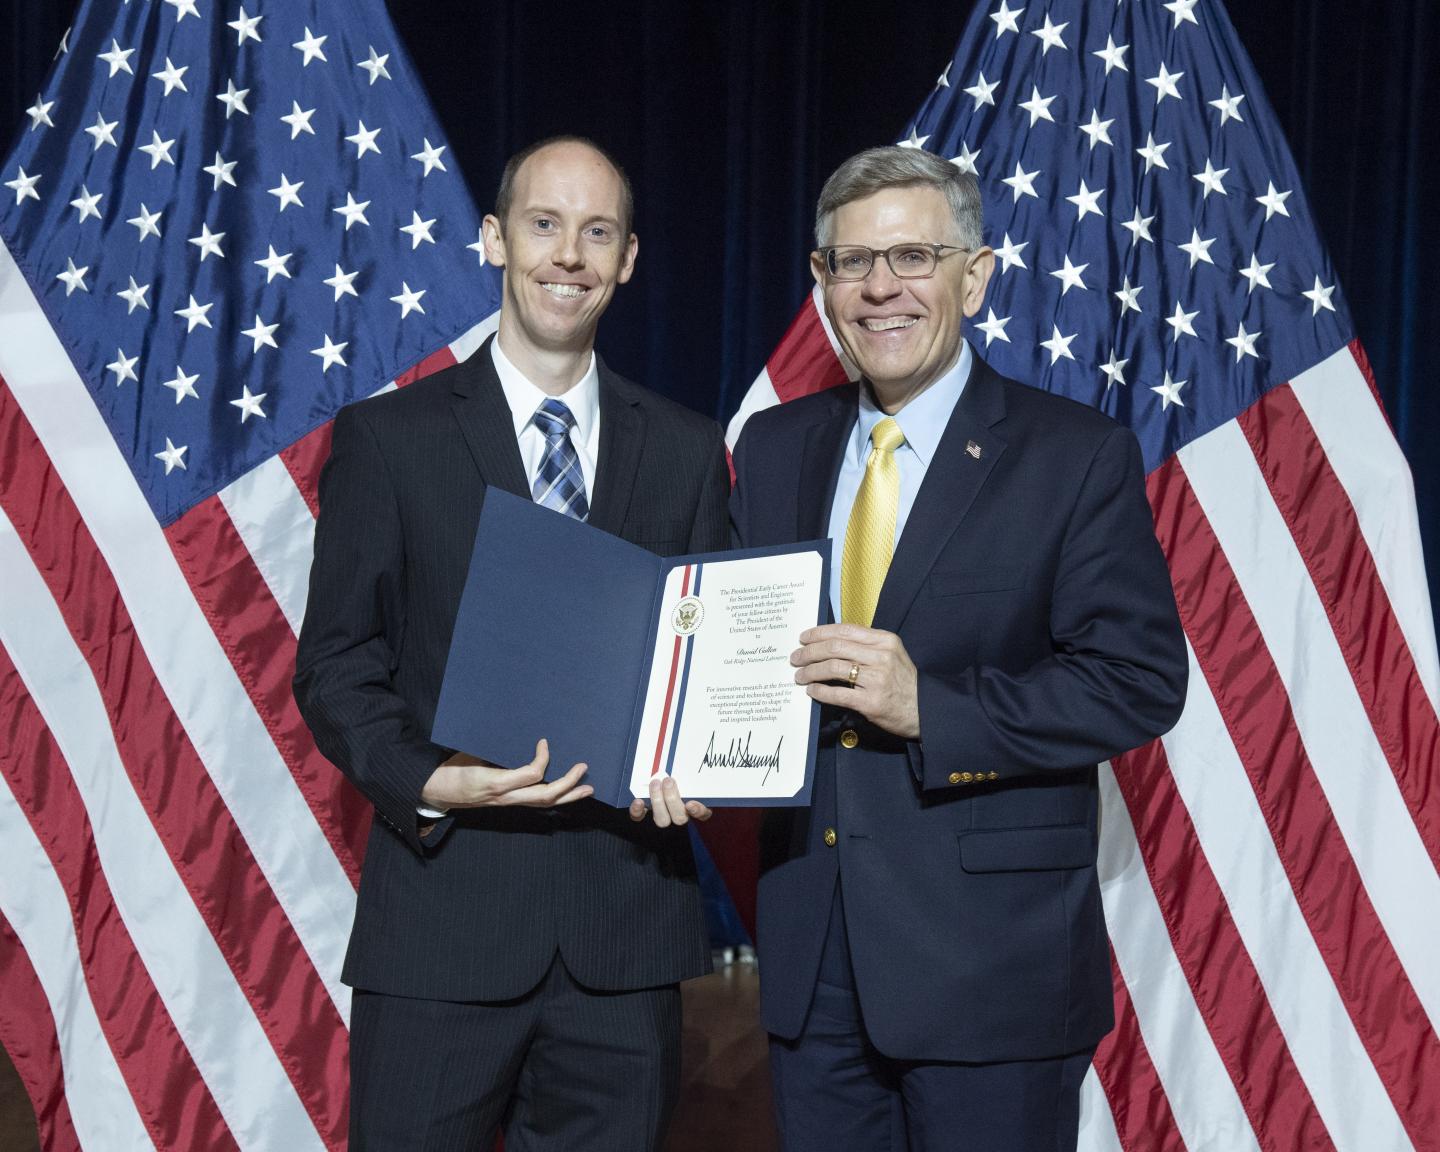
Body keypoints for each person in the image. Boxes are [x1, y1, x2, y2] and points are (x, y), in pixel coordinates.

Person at [730, 145, 1188, 1151]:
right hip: (816, 967)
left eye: (913, 257)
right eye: (852, 263)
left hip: (994, 973)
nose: (880, 288)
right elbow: (742, 653)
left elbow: (1138, 685)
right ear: (822, 283)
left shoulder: (1073, 455)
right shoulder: (773, 447)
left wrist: (931, 708)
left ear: (974, 277)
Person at [294, 136, 729, 1151]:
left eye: (597, 232)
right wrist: (432, 780)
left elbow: (703, 664)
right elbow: (337, 666)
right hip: (444, 930)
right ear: (494, 239)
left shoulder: (689, 449)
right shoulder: (387, 441)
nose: (567, 254)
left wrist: (705, 754)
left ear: (628, 260)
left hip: (626, 943)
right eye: (543, 224)